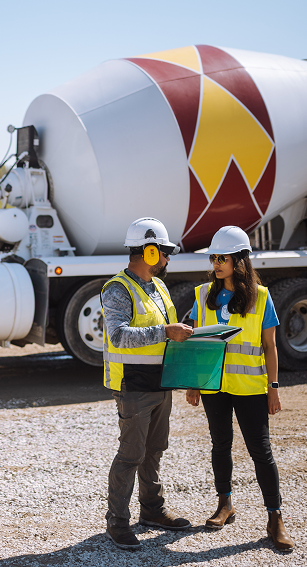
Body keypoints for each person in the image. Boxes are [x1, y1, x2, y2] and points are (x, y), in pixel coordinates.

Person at [185, 226, 294, 551]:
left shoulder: (260, 296)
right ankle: (225, 505)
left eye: (223, 257)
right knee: (220, 445)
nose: (216, 263)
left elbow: (270, 346)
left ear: (239, 261)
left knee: (261, 452)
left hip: (250, 388)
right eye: (214, 257)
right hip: (214, 387)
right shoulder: (202, 294)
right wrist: (193, 382)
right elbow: (193, 339)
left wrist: (273, 388)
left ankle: (275, 518)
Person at [101, 217, 193, 550]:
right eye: (165, 253)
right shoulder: (117, 289)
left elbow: (167, 333)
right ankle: (118, 522)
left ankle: (152, 512)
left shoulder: (158, 287)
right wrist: (166, 332)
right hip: (134, 387)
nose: (168, 260)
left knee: (154, 451)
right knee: (131, 455)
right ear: (150, 250)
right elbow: (118, 336)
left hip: (160, 384)